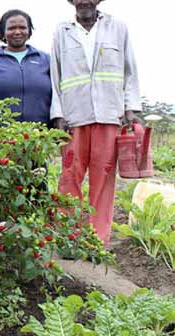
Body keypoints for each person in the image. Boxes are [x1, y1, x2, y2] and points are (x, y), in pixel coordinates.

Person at [50, 0, 141, 245]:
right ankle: (70, 237)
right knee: (70, 175)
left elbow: (129, 71)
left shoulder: (117, 27)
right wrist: (58, 114)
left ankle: (97, 239)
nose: (85, 1)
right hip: (73, 117)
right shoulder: (62, 31)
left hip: (109, 114)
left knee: (104, 177)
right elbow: (55, 75)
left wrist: (131, 108)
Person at [0, 9, 52, 126]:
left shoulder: (46, 59)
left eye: (22, 27)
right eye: (11, 28)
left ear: (29, 31)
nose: (17, 32)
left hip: (41, 135)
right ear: (3, 32)